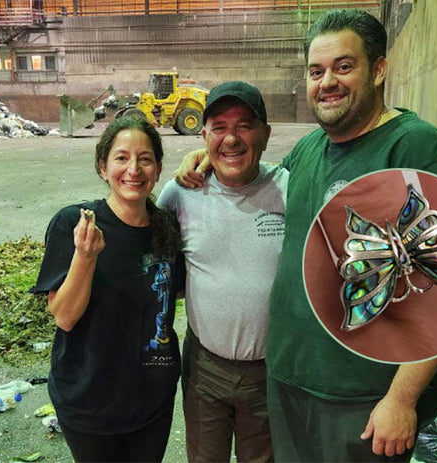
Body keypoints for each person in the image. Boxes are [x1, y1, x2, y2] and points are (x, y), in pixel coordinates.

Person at [175, 9, 437, 463]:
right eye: (317, 71)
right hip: (289, 385)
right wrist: (206, 157)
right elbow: (255, 185)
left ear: (378, 70)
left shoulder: (419, 151)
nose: (328, 82)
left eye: (344, 66)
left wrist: (401, 399)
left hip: (361, 398)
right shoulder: (310, 149)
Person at [32, 116, 184, 463]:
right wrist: (85, 256)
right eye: (121, 158)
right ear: (103, 167)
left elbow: (173, 294)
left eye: (145, 159)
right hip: (89, 403)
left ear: (158, 169)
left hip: (152, 400)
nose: (134, 169)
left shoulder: (168, 228)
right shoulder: (75, 224)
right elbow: (65, 317)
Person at [157, 81, 287, 463]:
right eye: (219, 128)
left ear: (265, 134)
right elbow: (156, 270)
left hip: (270, 372)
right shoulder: (179, 194)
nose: (231, 139)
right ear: (204, 135)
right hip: (204, 369)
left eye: (245, 125)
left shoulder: (289, 187)